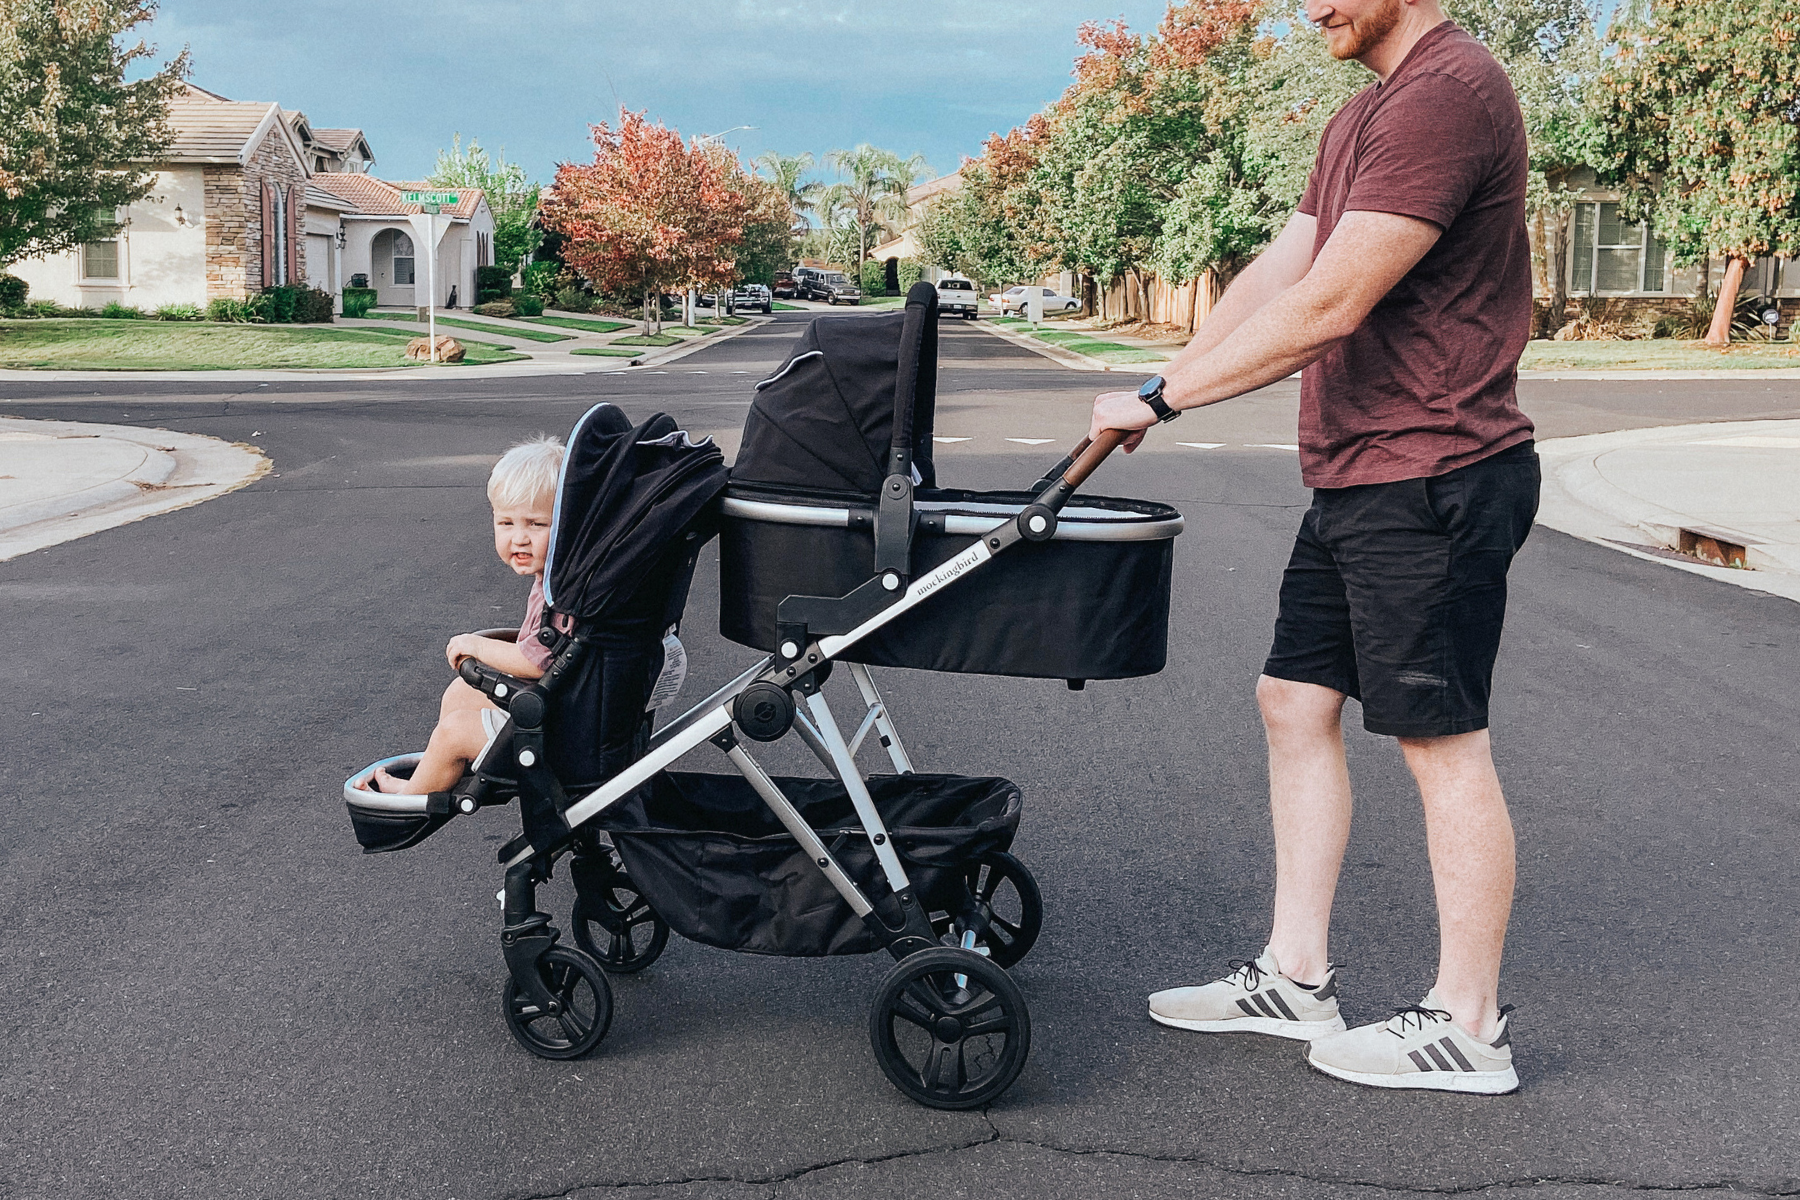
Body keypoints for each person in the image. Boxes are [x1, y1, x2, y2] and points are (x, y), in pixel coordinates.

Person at [1089, 0, 1539, 1094]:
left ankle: (1468, 1026)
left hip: (1433, 470)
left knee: (1440, 741)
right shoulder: (1365, 116)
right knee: (1293, 701)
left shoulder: (1447, 93)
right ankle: (1295, 975)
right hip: (1360, 472)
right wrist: (1150, 390)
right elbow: (1280, 274)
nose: (1310, 7)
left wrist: (1169, 399)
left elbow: (1334, 304)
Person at [361, 435, 571, 795]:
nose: (519, 538)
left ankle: (413, 797)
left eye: (536, 524)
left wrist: (476, 646)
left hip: (558, 729)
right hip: (556, 704)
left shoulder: (566, 592)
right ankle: (444, 769)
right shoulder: (559, 580)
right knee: (461, 693)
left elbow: (537, 662)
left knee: (454, 731)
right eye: (506, 523)